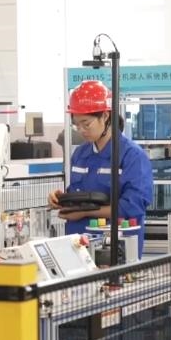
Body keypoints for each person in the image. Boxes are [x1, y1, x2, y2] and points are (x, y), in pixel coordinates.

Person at [47, 81, 153, 257]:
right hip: (78, 246)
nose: (81, 130)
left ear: (105, 116)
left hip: (116, 247)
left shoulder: (132, 156)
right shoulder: (80, 154)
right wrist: (61, 199)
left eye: (86, 123)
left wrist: (84, 213)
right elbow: (78, 193)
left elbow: (132, 206)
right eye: (76, 125)